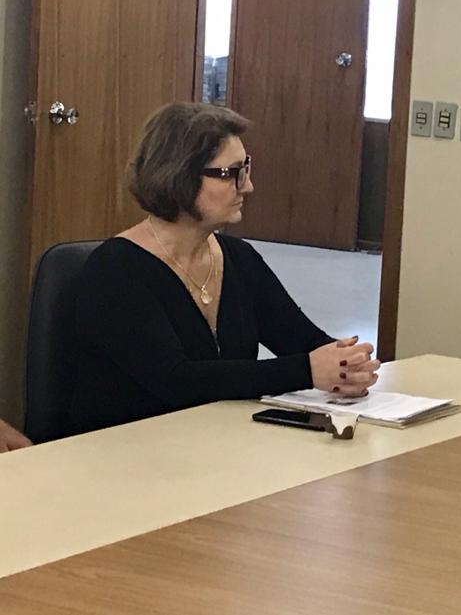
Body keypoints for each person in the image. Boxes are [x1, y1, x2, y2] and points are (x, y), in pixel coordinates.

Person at [69, 102, 380, 434]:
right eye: (230, 173)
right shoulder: (115, 271)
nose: (247, 186)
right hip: (126, 448)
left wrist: (347, 363)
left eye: (245, 169)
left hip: (215, 442)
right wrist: (307, 371)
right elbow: (176, 381)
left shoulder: (238, 258)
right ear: (179, 176)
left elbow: (302, 340)